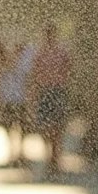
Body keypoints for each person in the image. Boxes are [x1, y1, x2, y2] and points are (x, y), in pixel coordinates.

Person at [28, 23, 73, 176]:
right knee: (46, 127)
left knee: (57, 127)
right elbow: (35, 74)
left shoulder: (61, 52)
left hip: (57, 90)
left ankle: (55, 159)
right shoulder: (39, 53)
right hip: (45, 91)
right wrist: (34, 95)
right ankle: (50, 157)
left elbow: (68, 71)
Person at [0, 41, 34, 167]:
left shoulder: (23, 64)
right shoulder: (4, 64)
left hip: (20, 99)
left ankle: (20, 152)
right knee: (9, 126)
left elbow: (29, 81)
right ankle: (12, 151)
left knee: (21, 126)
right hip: (8, 99)